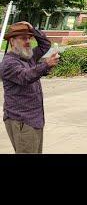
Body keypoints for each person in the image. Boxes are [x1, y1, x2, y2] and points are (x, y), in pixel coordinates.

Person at [0, 21, 59, 154]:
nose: (27, 41)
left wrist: (33, 28)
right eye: (23, 38)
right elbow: (25, 77)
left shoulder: (28, 57)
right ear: (12, 41)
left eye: (29, 38)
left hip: (34, 119)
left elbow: (45, 45)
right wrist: (46, 65)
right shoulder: (9, 62)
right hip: (21, 120)